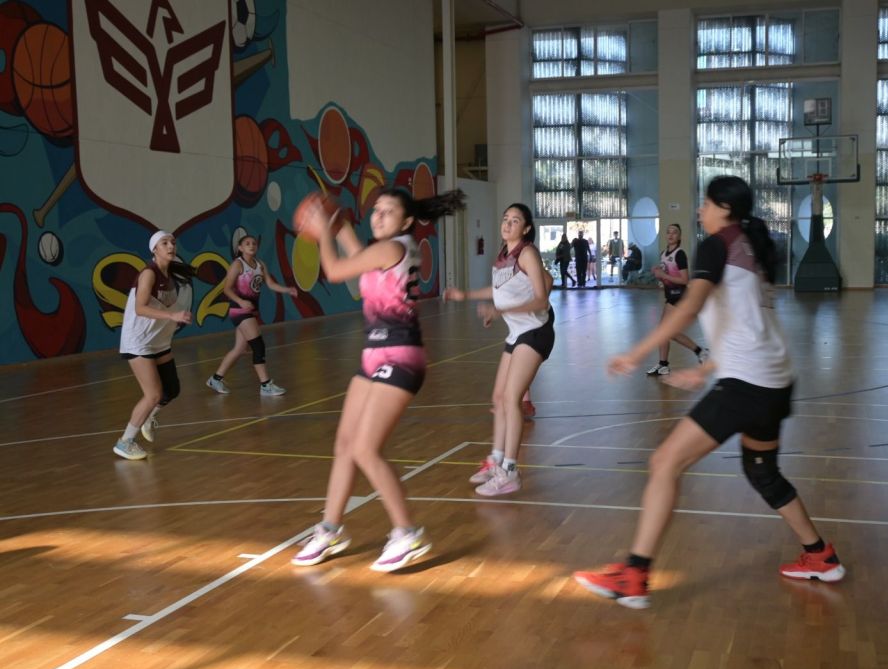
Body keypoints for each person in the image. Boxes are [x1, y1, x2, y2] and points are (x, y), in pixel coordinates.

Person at [574, 176, 845, 609]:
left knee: (664, 462)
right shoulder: (752, 250)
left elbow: (690, 306)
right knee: (762, 472)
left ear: (724, 208)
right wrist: (707, 370)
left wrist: (635, 353)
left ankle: (634, 575)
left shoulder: (717, 245)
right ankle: (820, 555)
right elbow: (750, 326)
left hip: (747, 384)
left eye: (705, 202)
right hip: (775, 382)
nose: (700, 209)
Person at [290, 187, 466, 571]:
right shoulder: (387, 250)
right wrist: (338, 225)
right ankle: (330, 529)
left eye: (389, 211)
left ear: (406, 221)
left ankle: (408, 533)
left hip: (400, 355)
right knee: (345, 445)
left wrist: (322, 232)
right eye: (376, 210)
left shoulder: (392, 248)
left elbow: (336, 271)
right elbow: (359, 261)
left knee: (365, 449)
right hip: (374, 354)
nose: (379, 215)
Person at [445, 203, 553, 497]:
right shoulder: (504, 254)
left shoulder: (527, 253)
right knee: (498, 398)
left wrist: (500, 311)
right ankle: (496, 461)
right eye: (506, 218)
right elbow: (499, 291)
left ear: (526, 228)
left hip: (535, 332)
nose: (508, 224)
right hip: (517, 333)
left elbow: (541, 300)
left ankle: (510, 471)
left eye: (515, 220)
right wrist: (465, 294)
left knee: (511, 399)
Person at [114, 231, 194, 460]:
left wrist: (176, 317)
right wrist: (172, 316)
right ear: (154, 249)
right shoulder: (149, 273)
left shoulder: (170, 276)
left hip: (158, 341)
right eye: (164, 243)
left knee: (172, 390)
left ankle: (149, 417)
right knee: (153, 394)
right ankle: (125, 441)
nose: (170, 246)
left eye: (173, 242)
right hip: (138, 342)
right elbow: (140, 308)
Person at [206, 235, 298, 396]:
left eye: (254, 243)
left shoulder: (260, 264)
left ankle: (215, 379)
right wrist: (240, 301)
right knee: (258, 345)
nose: (251, 245)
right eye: (247, 243)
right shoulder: (237, 265)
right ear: (240, 248)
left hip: (251, 310)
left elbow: (270, 284)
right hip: (239, 310)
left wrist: (287, 290)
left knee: (239, 349)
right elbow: (227, 289)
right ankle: (265, 385)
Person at [646, 223, 708, 375]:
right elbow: (667, 276)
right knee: (666, 331)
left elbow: (684, 280)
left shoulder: (680, 254)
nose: (671, 235)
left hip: (680, 296)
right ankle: (666, 363)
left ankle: (698, 352)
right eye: (668, 232)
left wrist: (664, 275)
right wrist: (658, 273)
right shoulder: (663, 254)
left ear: (679, 236)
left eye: (674, 232)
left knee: (664, 331)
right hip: (670, 296)